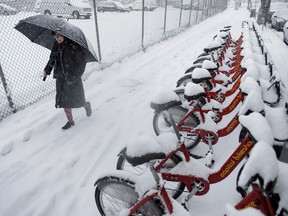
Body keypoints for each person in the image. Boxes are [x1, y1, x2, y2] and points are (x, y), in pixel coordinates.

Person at [43, 32, 92, 130]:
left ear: (64, 35)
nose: (57, 38)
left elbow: (81, 62)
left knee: (77, 99)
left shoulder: (73, 45)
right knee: (64, 101)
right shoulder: (56, 46)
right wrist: (47, 70)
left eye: (59, 36)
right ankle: (70, 121)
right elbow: (52, 59)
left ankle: (86, 105)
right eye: (55, 36)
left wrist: (74, 76)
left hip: (73, 76)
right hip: (61, 77)